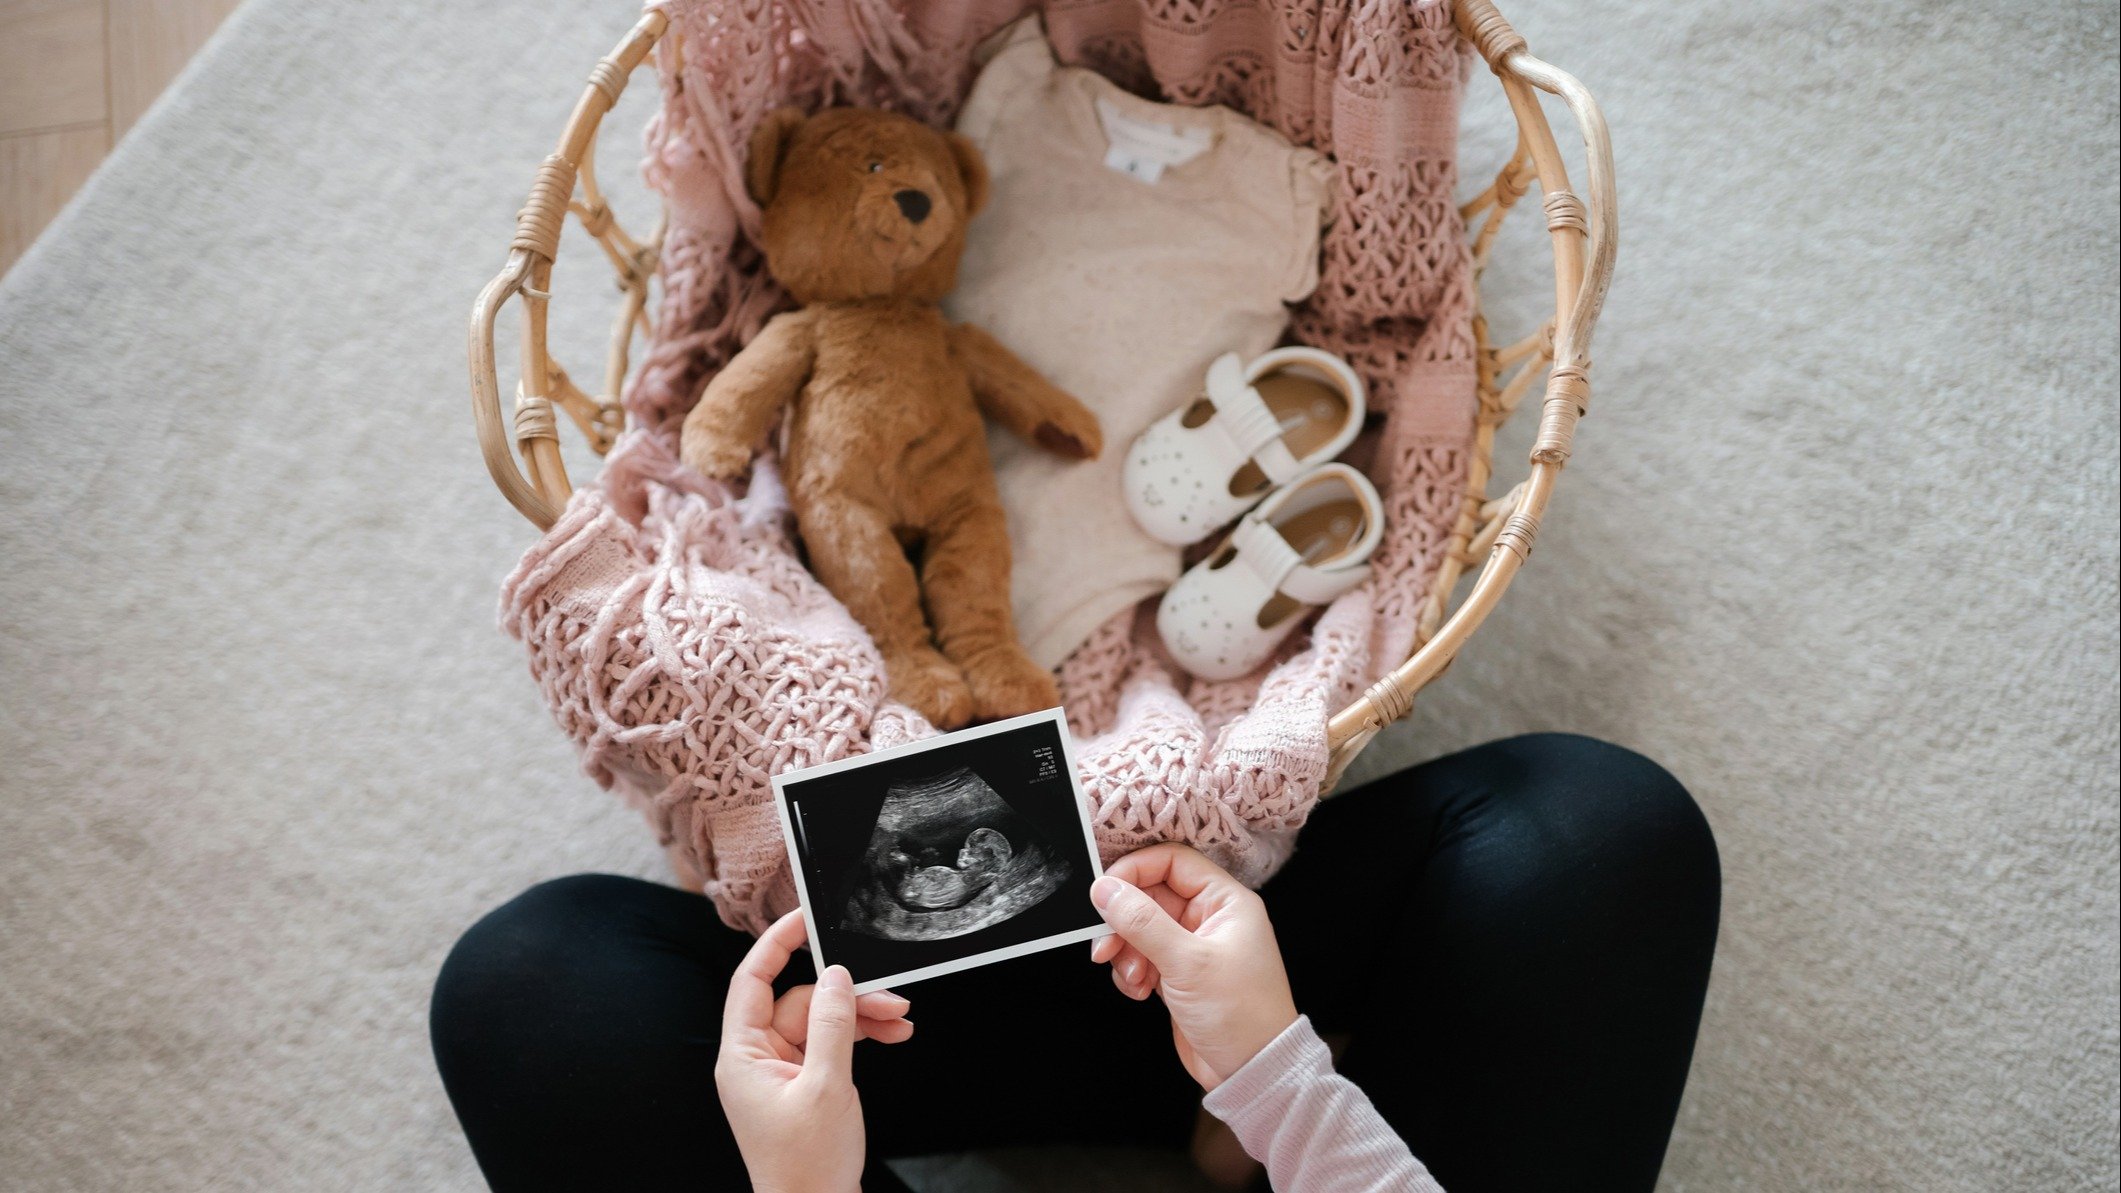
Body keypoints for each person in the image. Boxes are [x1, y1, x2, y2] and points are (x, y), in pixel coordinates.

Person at [431, 734, 1720, 1191]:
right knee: (1597, 835)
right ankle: (1216, 1120)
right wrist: (1275, 1082)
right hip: (1248, 1070)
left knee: (530, 990)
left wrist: (805, 1190)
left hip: (885, 1076)